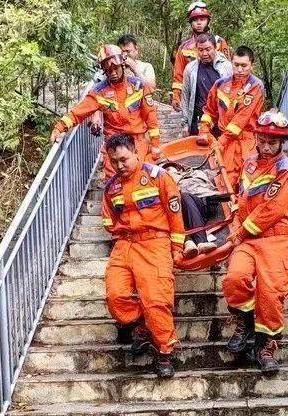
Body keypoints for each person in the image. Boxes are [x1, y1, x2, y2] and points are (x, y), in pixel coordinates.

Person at [221, 109, 288, 374]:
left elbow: (270, 210)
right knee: (235, 279)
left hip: (276, 239)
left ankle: (265, 345)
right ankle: (245, 321)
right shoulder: (249, 162)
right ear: (257, 138)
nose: (266, 146)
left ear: (282, 143)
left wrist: (239, 233)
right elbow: (244, 197)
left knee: (270, 294)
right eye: (263, 140)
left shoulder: (286, 171)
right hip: (247, 237)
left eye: (273, 142)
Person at [100, 133, 187, 378]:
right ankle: (142, 325)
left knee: (156, 300)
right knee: (115, 296)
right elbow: (108, 219)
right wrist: (119, 231)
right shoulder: (111, 187)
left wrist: (177, 249)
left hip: (155, 244)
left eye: (124, 159)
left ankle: (164, 352)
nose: (119, 165)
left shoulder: (158, 178)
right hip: (125, 246)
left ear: (136, 152)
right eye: (114, 161)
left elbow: (175, 218)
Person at [51, 45, 161, 177]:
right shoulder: (99, 92)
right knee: (113, 187)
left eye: (116, 68)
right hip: (114, 147)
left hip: (138, 145)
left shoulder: (138, 86)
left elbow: (151, 116)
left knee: (142, 183)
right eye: (109, 70)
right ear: (104, 71)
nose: (113, 73)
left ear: (123, 65)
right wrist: (60, 127)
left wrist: (155, 144)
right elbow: (79, 112)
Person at [199, 46, 266, 188]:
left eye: (244, 66)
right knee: (225, 182)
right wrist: (204, 128)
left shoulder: (255, 86)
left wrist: (220, 142)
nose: (240, 70)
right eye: (236, 65)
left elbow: (240, 120)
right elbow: (209, 111)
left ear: (251, 66)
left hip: (247, 142)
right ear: (231, 63)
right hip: (226, 143)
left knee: (248, 182)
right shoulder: (220, 84)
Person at [91, 35, 158, 135]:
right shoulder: (112, 68)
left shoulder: (145, 67)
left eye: (128, 51)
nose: (125, 54)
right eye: (122, 52)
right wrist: (96, 117)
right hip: (116, 126)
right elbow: (99, 95)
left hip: (140, 122)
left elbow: (151, 89)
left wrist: (134, 68)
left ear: (136, 50)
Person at [171, 1, 229, 111]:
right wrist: (176, 96)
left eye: (202, 19)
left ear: (207, 21)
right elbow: (178, 75)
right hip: (193, 96)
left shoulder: (220, 43)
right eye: (195, 20)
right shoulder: (184, 48)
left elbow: (229, 71)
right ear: (191, 22)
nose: (199, 23)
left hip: (218, 94)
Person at [179, 33, 232, 137]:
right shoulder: (190, 69)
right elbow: (185, 96)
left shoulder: (227, 67)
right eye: (200, 50)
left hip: (221, 121)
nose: (204, 53)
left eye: (208, 49)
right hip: (198, 120)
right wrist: (185, 123)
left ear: (215, 47)